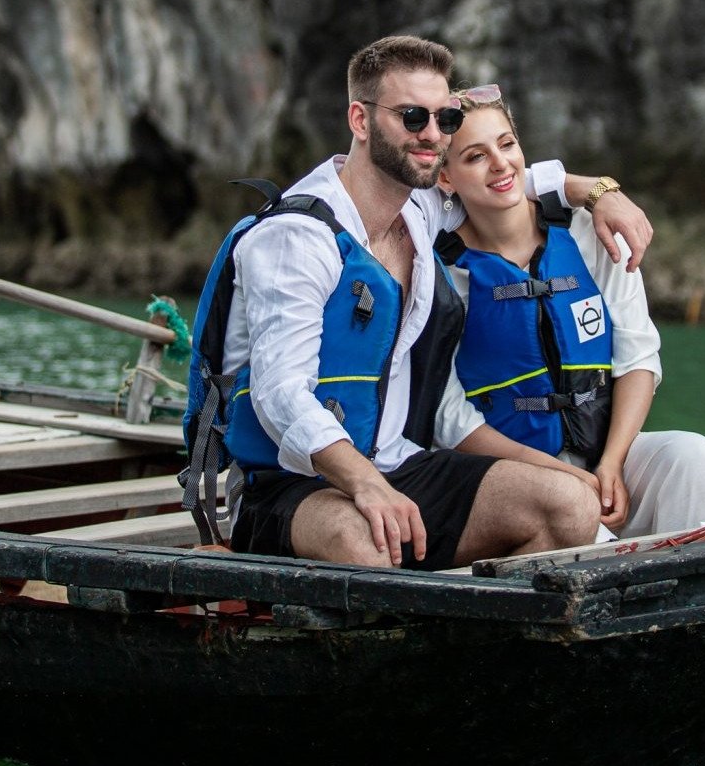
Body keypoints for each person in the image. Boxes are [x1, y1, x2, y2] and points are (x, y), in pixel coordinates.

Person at [186, 35, 655, 570]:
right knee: (366, 545)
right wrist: (364, 484)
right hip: (288, 484)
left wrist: (598, 191)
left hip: (395, 463)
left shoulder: (421, 210)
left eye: (445, 120)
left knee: (569, 505)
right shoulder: (297, 239)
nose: (432, 135)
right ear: (360, 121)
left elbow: (501, 179)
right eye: (412, 118)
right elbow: (280, 396)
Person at [434, 87, 705, 536]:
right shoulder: (440, 273)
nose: (500, 164)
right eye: (475, 156)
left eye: (507, 144)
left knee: (691, 455)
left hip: (602, 454)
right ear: (445, 178)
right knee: (573, 512)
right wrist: (566, 478)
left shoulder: (591, 230)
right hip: (512, 475)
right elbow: (448, 416)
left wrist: (611, 463)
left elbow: (637, 355)